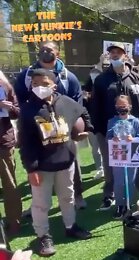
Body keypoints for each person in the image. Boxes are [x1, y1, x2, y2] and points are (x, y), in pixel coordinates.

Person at [18, 69, 92, 256]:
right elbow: (26, 143)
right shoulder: (28, 110)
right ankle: (43, 235)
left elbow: (83, 111)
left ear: (54, 85)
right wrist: (31, 168)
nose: (39, 88)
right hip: (42, 165)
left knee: (67, 197)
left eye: (44, 84)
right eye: (35, 84)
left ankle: (70, 226)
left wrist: (86, 127)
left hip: (66, 161)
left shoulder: (65, 102)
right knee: (41, 203)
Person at [14, 41, 87, 212]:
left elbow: (77, 102)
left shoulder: (68, 76)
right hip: (38, 128)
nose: (45, 52)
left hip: (63, 128)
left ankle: (77, 195)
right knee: (35, 165)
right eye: (42, 50)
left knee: (71, 160)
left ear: (58, 53)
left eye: (50, 50)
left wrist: (75, 124)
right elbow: (19, 99)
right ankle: (36, 202)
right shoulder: (27, 75)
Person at [92, 42, 139, 211]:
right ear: (109, 56)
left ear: (125, 55)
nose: (115, 55)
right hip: (111, 133)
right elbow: (95, 106)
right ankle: (109, 194)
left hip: (137, 130)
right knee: (111, 165)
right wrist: (99, 130)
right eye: (112, 53)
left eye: (118, 52)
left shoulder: (137, 78)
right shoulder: (102, 79)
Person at [107, 95, 139, 219]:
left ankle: (129, 204)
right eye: (119, 106)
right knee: (118, 182)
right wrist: (113, 139)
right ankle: (119, 205)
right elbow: (108, 137)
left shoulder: (135, 121)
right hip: (118, 155)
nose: (122, 108)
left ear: (130, 106)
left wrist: (133, 139)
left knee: (130, 181)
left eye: (124, 106)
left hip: (131, 156)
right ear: (116, 107)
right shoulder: (112, 121)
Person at [0, 71, 21, 235]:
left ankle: (14, 220)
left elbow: (17, 111)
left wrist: (11, 107)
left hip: (3, 141)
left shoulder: (5, 85)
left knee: (9, 183)